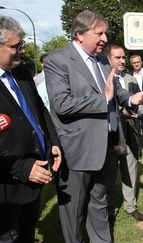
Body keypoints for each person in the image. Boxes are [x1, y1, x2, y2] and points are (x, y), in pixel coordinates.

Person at [44, 10, 143, 243]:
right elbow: (62, 104)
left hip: (105, 146)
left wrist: (131, 99)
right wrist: (103, 99)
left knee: (99, 204)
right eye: (99, 33)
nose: (104, 39)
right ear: (80, 34)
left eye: (105, 33)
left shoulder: (102, 59)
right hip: (77, 150)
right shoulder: (57, 60)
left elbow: (115, 90)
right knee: (74, 211)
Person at [0, 15, 61, 242]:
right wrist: (20, 168)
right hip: (6, 189)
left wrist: (53, 143)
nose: (22, 51)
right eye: (16, 46)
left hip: (33, 182)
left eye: (22, 44)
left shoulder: (22, 73)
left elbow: (39, 112)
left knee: (26, 234)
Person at [104, 45, 143, 225]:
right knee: (110, 171)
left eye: (123, 57)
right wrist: (119, 113)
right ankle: (110, 208)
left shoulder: (130, 78)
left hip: (130, 130)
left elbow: (140, 101)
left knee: (130, 168)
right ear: (108, 59)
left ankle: (130, 205)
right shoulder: (102, 78)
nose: (122, 61)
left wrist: (138, 111)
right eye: (117, 58)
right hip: (112, 132)